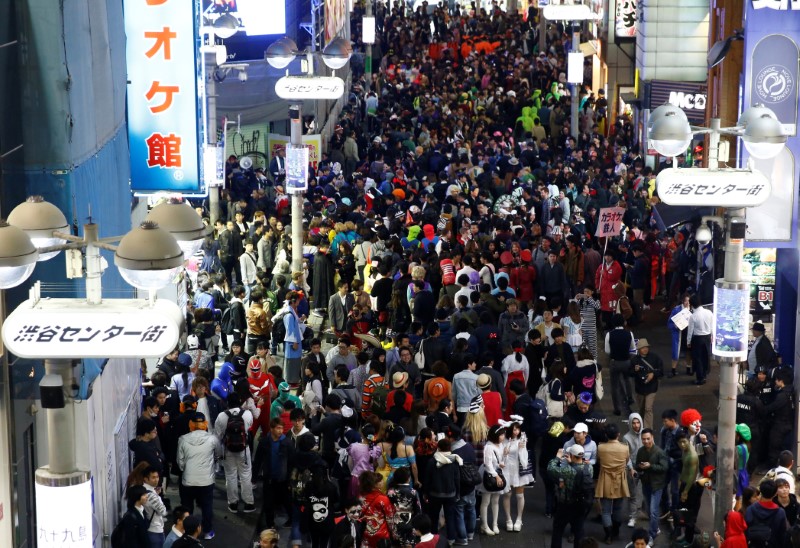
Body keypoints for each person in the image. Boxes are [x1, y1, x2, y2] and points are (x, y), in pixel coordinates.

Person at [176, 413, 221, 540]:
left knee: (187, 507)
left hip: (188, 480)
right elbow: (218, 454)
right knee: (207, 506)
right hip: (206, 480)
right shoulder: (212, 439)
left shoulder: (183, 439)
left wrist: (186, 470)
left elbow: (180, 462)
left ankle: (187, 531)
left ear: (190, 424)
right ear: (205, 424)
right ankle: (207, 531)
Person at [213, 393, 255, 514]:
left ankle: (233, 503)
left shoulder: (221, 416)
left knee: (231, 476)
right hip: (244, 449)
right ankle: (249, 504)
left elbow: (217, 437)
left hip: (228, 450)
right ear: (240, 401)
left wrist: (219, 454)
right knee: (246, 475)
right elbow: (249, 428)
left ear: (227, 403)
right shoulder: (247, 414)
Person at [547, 444, 595, 548]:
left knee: (558, 529)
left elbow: (551, 468)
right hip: (581, 505)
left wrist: (558, 457)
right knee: (579, 531)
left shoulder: (568, 471)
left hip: (566, 504)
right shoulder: (589, 468)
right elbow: (578, 471)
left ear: (572, 456)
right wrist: (572, 462)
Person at [595, 423, 630, 544]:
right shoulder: (625, 448)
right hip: (620, 480)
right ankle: (616, 530)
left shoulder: (601, 447)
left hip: (605, 479)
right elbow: (627, 460)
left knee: (605, 510)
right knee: (618, 508)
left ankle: (608, 534)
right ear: (618, 435)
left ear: (606, 435)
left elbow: (598, 460)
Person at [424, 438, 462, 545]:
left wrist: (425, 493)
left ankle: (433, 539)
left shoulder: (432, 461)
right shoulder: (454, 460)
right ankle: (451, 540)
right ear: (450, 448)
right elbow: (457, 479)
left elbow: (427, 479)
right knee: (450, 517)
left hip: (434, 494)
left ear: (438, 448)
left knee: (434, 517)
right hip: (450, 494)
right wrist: (458, 493)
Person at [635, 428, 668, 545]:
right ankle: (655, 527)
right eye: (643, 439)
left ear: (652, 438)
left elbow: (664, 468)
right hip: (646, 484)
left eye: (648, 439)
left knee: (654, 511)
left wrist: (650, 466)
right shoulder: (641, 451)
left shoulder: (659, 452)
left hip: (657, 485)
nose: (646, 441)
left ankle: (652, 535)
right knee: (649, 510)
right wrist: (640, 466)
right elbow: (637, 465)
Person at [502, 418, 532, 531]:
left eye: (517, 429)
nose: (516, 432)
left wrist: (520, 448)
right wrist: (505, 452)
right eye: (514, 429)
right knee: (507, 494)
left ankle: (519, 519)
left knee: (520, 495)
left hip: (518, 469)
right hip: (507, 469)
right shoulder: (504, 439)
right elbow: (502, 454)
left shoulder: (523, 437)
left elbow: (524, 455)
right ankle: (508, 519)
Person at [479, 424, 509, 536]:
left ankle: (495, 524)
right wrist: (496, 476)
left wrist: (504, 456)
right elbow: (488, 464)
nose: (503, 436)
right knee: (486, 501)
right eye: (501, 434)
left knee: (496, 500)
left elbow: (500, 461)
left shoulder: (500, 445)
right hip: (490, 475)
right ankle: (485, 525)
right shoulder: (489, 447)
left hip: (497, 473)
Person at [628, 339, 663, 430]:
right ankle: (641, 424)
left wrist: (653, 374)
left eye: (646, 347)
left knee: (648, 408)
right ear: (639, 349)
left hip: (652, 387)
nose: (645, 349)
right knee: (641, 409)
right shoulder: (634, 360)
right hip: (640, 388)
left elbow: (661, 371)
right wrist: (635, 370)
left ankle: (648, 429)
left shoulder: (655, 357)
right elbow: (629, 373)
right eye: (642, 348)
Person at [605, 314, 635, 416]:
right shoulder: (629, 333)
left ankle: (617, 408)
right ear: (624, 322)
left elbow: (607, 350)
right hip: (627, 361)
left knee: (615, 386)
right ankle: (630, 398)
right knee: (627, 380)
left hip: (614, 362)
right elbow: (633, 348)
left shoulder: (609, 334)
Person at [744, 479, 788, 547]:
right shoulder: (780, 512)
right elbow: (782, 535)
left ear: (760, 491)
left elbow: (746, 530)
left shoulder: (750, 509)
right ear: (775, 493)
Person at [623, 413, 644, 528]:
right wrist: (631, 468)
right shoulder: (626, 437)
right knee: (633, 494)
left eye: (638, 422)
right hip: (634, 469)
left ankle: (641, 511)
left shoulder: (646, 433)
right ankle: (632, 516)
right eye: (634, 423)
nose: (636, 425)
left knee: (644, 492)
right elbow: (626, 455)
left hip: (646, 467)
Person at [686, 296, 713, 385]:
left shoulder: (693, 316)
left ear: (692, 305)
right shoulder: (709, 312)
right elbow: (712, 325)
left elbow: (690, 331)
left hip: (698, 339)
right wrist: (712, 335)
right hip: (707, 337)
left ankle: (700, 378)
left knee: (698, 359)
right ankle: (704, 375)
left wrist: (688, 341)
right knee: (706, 357)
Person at [141, 466, 167, 548]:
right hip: (155, 530)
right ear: (145, 479)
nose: (156, 480)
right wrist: (158, 498)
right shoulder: (151, 495)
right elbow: (163, 511)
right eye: (153, 477)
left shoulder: (144, 490)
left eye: (157, 477)